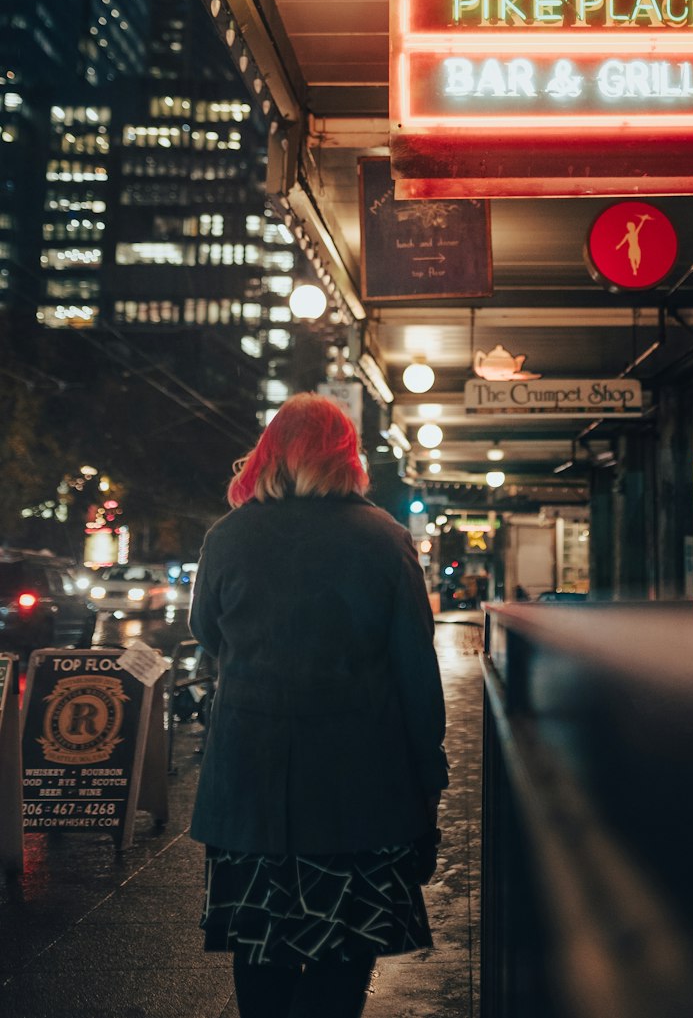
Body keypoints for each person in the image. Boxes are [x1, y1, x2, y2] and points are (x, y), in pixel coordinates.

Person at [189, 393, 448, 1018]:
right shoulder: (384, 539)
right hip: (358, 791)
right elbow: (416, 672)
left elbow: (206, 632)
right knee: (343, 960)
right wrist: (427, 787)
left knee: (258, 955)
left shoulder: (229, 536)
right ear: (346, 455)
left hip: (249, 790)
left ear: (268, 452)